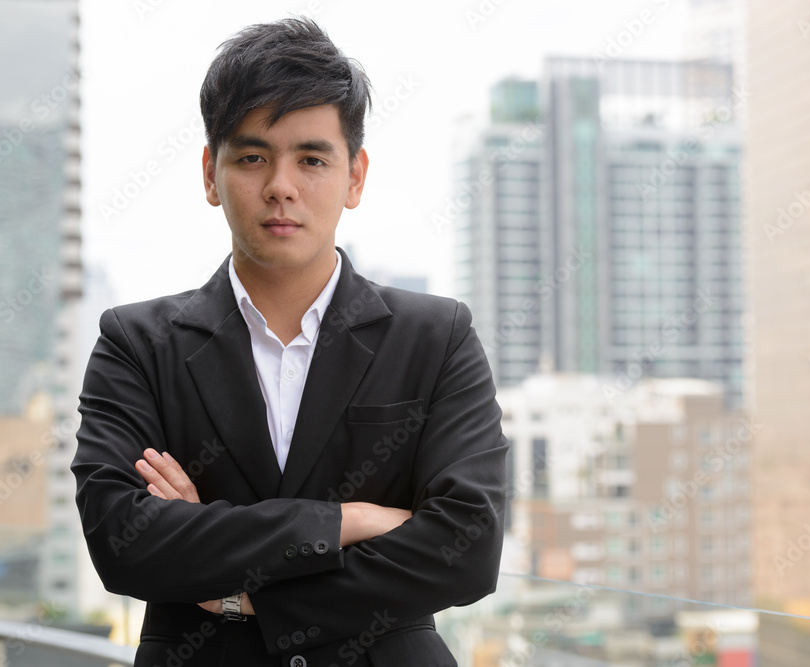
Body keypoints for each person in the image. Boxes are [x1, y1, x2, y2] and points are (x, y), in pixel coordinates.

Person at [72, 16, 507, 667]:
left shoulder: (434, 336)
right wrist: (348, 521)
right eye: (252, 158)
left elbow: (468, 545)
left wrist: (240, 594)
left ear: (354, 176)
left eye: (311, 159)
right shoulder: (137, 344)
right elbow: (123, 540)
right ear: (210, 174)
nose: (281, 185)